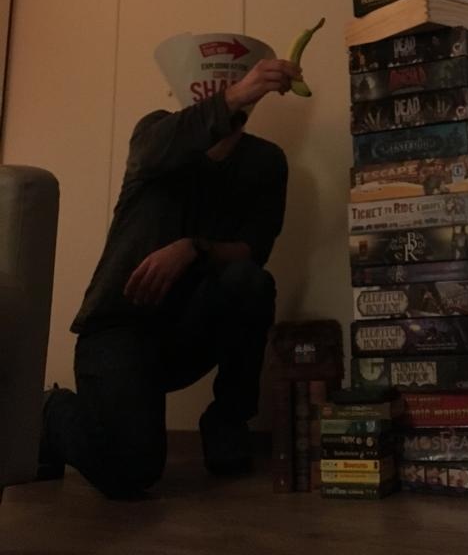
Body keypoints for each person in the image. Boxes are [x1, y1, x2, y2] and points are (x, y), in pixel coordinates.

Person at [39, 56, 301, 499]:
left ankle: (227, 423)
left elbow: (253, 249)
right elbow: (154, 150)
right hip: (117, 327)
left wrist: (193, 247)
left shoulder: (265, 161)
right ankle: (46, 410)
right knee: (132, 471)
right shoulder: (156, 134)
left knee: (252, 282)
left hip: (183, 332)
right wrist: (238, 94)